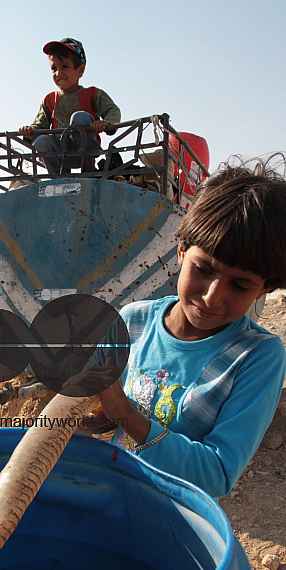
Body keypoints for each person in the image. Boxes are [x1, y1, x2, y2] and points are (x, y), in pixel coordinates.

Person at [67, 157, 286, 499]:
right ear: (182, 251)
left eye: (240, 286)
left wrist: (124, 414)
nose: (213, 298)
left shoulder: (256, 357)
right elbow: (111, 410)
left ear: (265, 289)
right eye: (203, 269)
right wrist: (95, 416)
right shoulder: (133, 321)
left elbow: (217, 472)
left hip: (173, 519)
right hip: (110, 496)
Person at [19, 38, 121, 174]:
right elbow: (39, 126)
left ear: (80, 70)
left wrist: (106, 123)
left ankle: (88, 166)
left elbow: (113, 110)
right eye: (54, 68)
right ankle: (58, 177)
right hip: (60, 152)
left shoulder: (92, 93)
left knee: (80, 117)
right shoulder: (49, 99)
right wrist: (29, 131)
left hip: (84, 150)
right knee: (41, 140)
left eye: (65, 67)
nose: (58, 73)